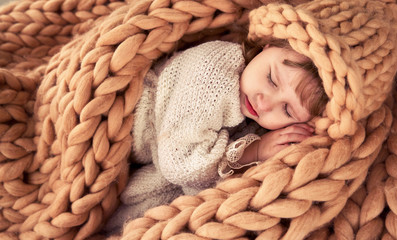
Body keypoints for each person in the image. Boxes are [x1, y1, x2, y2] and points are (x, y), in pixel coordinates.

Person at [104, 38, 328, 234]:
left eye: (288, 110)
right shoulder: (214, 68)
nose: (265, 102)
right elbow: (178, 162)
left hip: (145, 166)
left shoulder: (258, 124)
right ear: (265, 47)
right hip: (119, 121)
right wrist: (251, 153)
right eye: (271, 78)